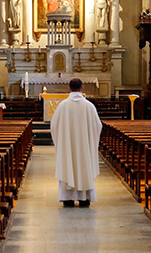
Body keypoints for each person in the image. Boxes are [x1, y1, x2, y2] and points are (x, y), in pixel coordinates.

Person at [50, 78, 103, 207]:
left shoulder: (63, 106)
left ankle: (68, 198)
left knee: (69, 165)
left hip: (68, 147)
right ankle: (85, 198)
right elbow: (98, 126)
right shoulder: (89, 106)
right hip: (85, 148)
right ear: (82, 88)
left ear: (69, 88)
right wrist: (90, 140)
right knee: (84, 166)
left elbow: (54, 126)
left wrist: (61, 141)